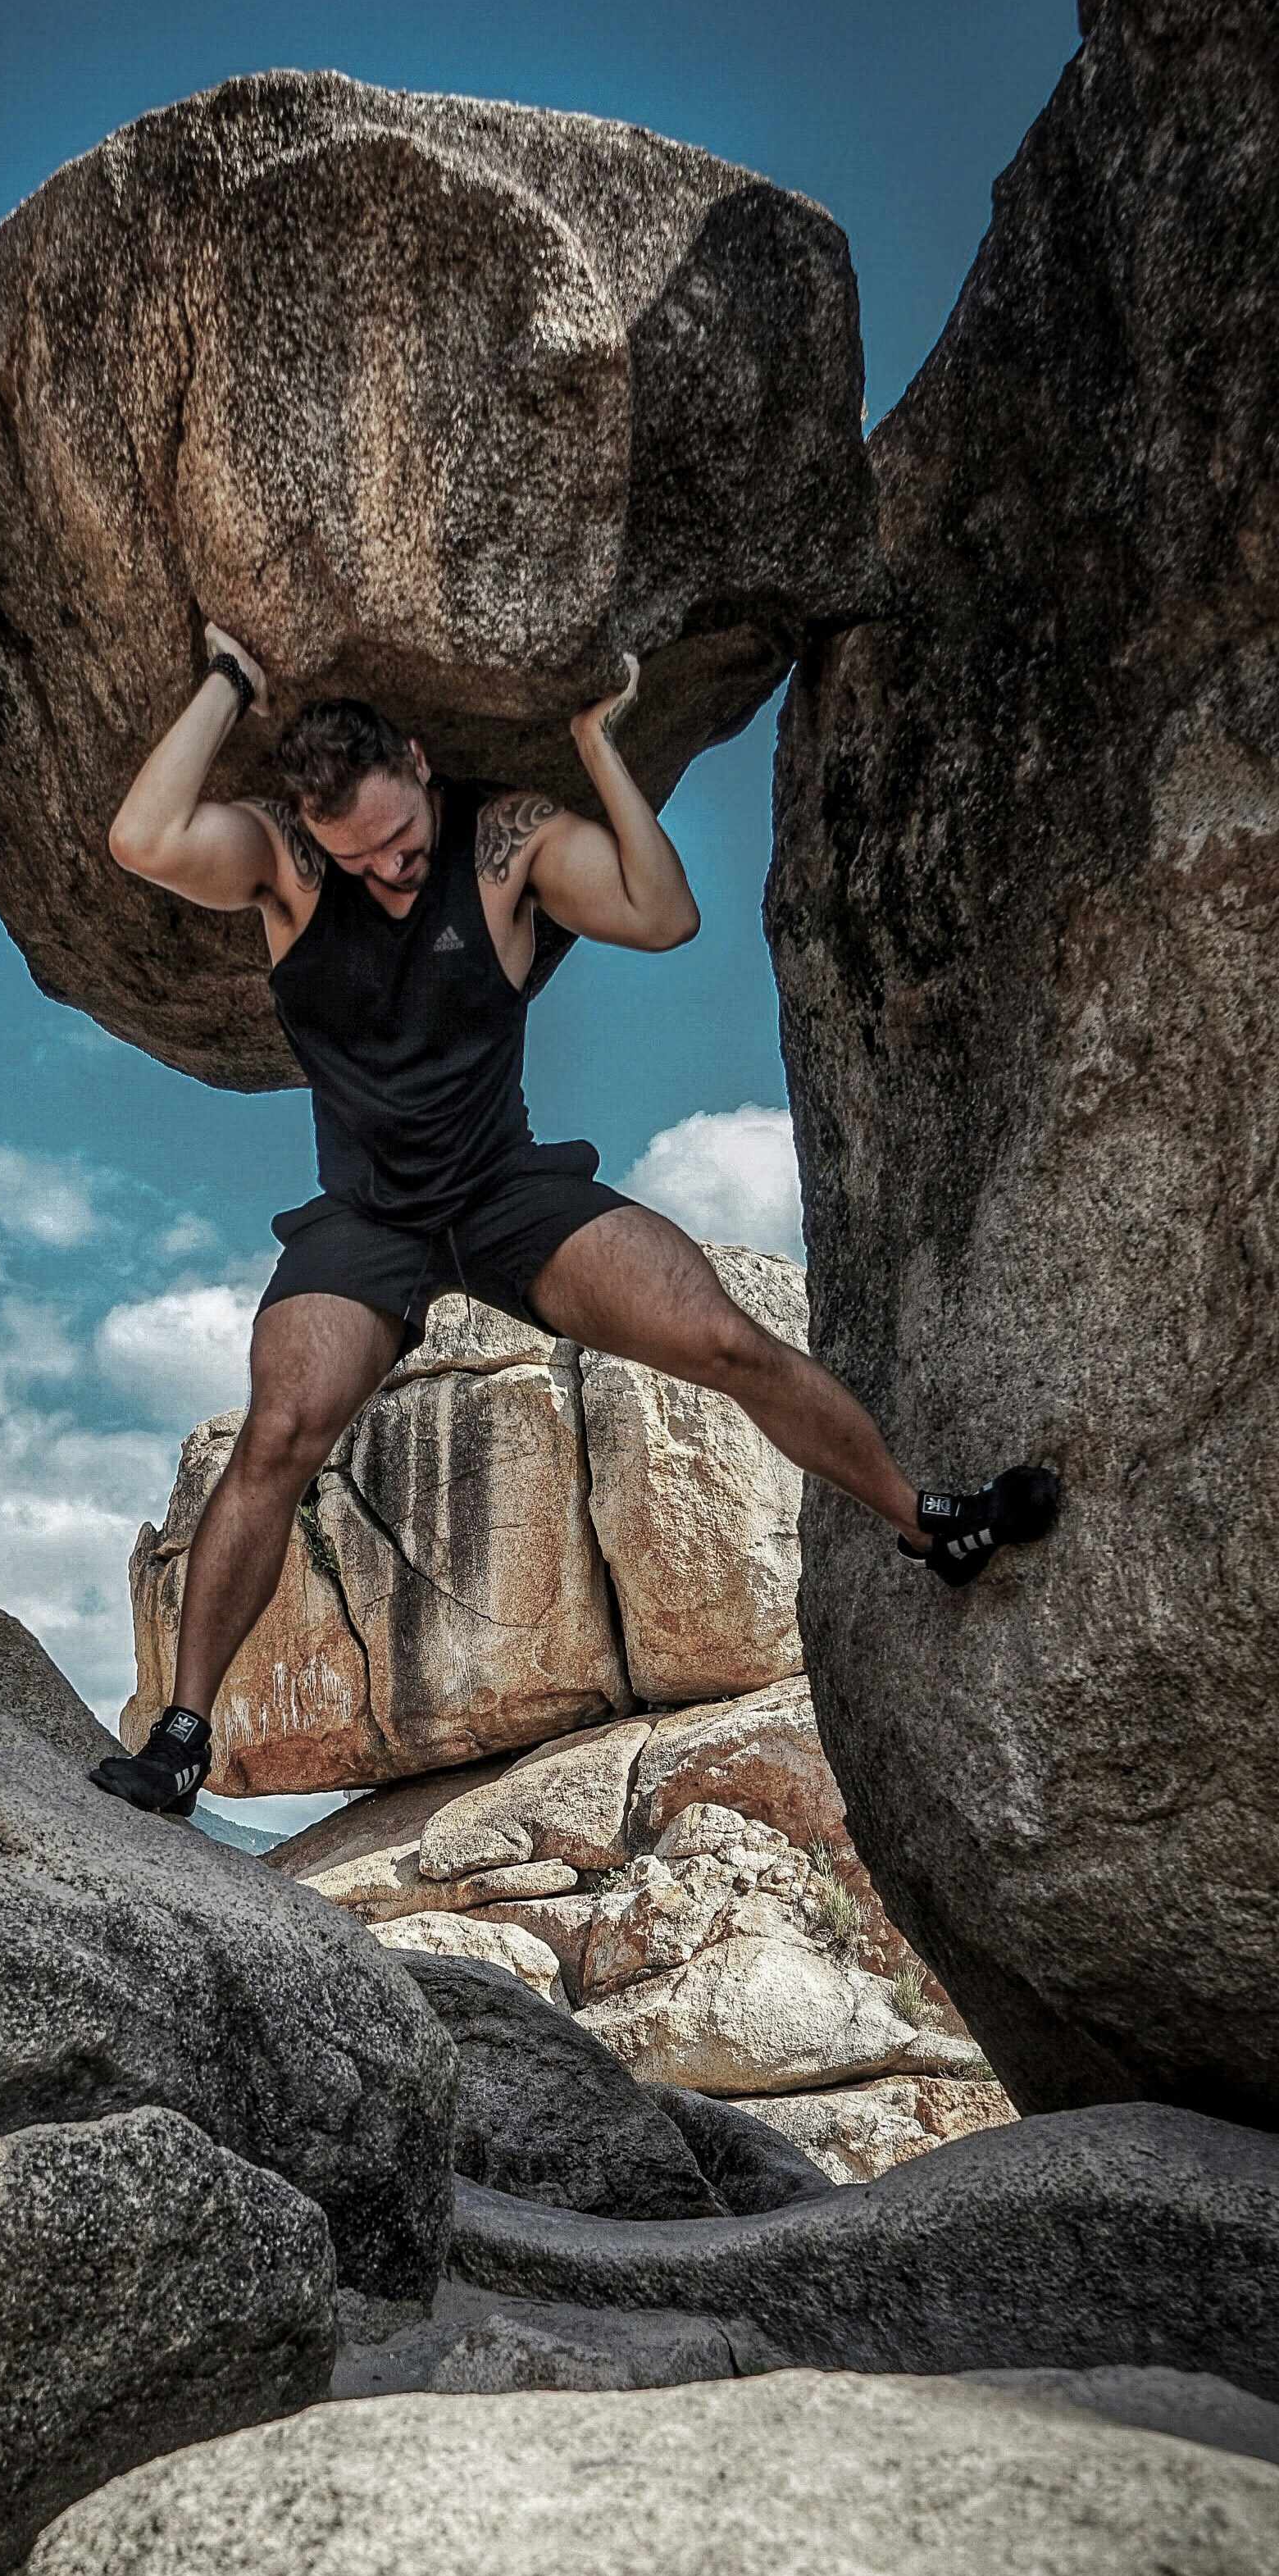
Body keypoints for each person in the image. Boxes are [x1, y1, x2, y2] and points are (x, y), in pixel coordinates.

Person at [91, 625, 1058, 1817]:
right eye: (360, 858)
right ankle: (182, 1740)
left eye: (402, 841)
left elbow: (665, 915)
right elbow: (143, 840)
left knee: (725, 1341)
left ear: (420, 762)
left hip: (507, 1189)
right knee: (278, 1435)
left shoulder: (508, 844)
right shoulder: (290, 865)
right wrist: (230, 684)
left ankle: (928, 1521)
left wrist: (600, 747)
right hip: (368, 1218)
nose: (388, 870)